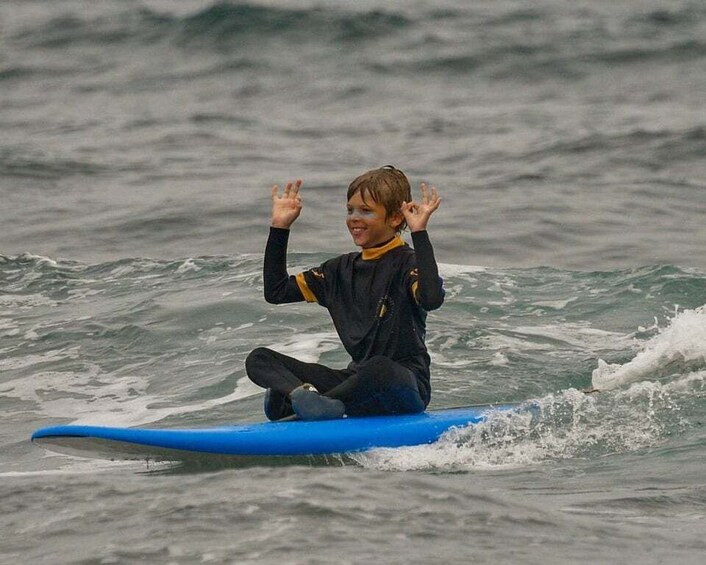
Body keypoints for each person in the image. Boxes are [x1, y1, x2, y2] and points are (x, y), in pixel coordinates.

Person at [245, 165, 444, 421]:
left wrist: (419, 233)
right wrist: (279, 228)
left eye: (366, 211)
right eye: (350, 210)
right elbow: (276, 291)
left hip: (403, 384)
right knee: (259, 358)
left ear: (395, 218)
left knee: (378, 368)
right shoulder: (337, 271)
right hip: (355, 381)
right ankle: (302, 398)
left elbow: (431, 298)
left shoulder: (409, 264)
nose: (354, 218)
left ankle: (314, 405)